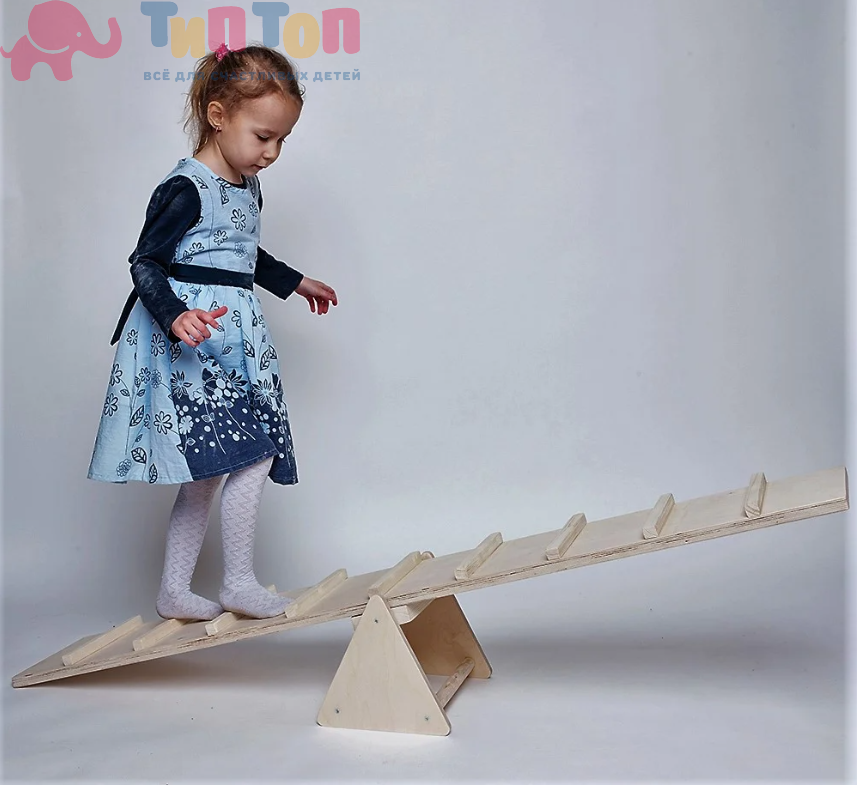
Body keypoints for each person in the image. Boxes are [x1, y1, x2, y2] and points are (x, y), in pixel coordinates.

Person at [87, 43, 337, 621]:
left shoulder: (246, 184)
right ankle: (238, 583)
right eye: (263, 136)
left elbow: (243, 253)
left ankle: (176, 591)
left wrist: (295, 282)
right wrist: (175, 315)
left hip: (235, 339)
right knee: (247, 457)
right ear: (218, 116)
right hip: (195, 342)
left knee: (220, 466)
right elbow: (146, 261)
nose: (271, 153)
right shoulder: (186, 187)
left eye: (282, 140)